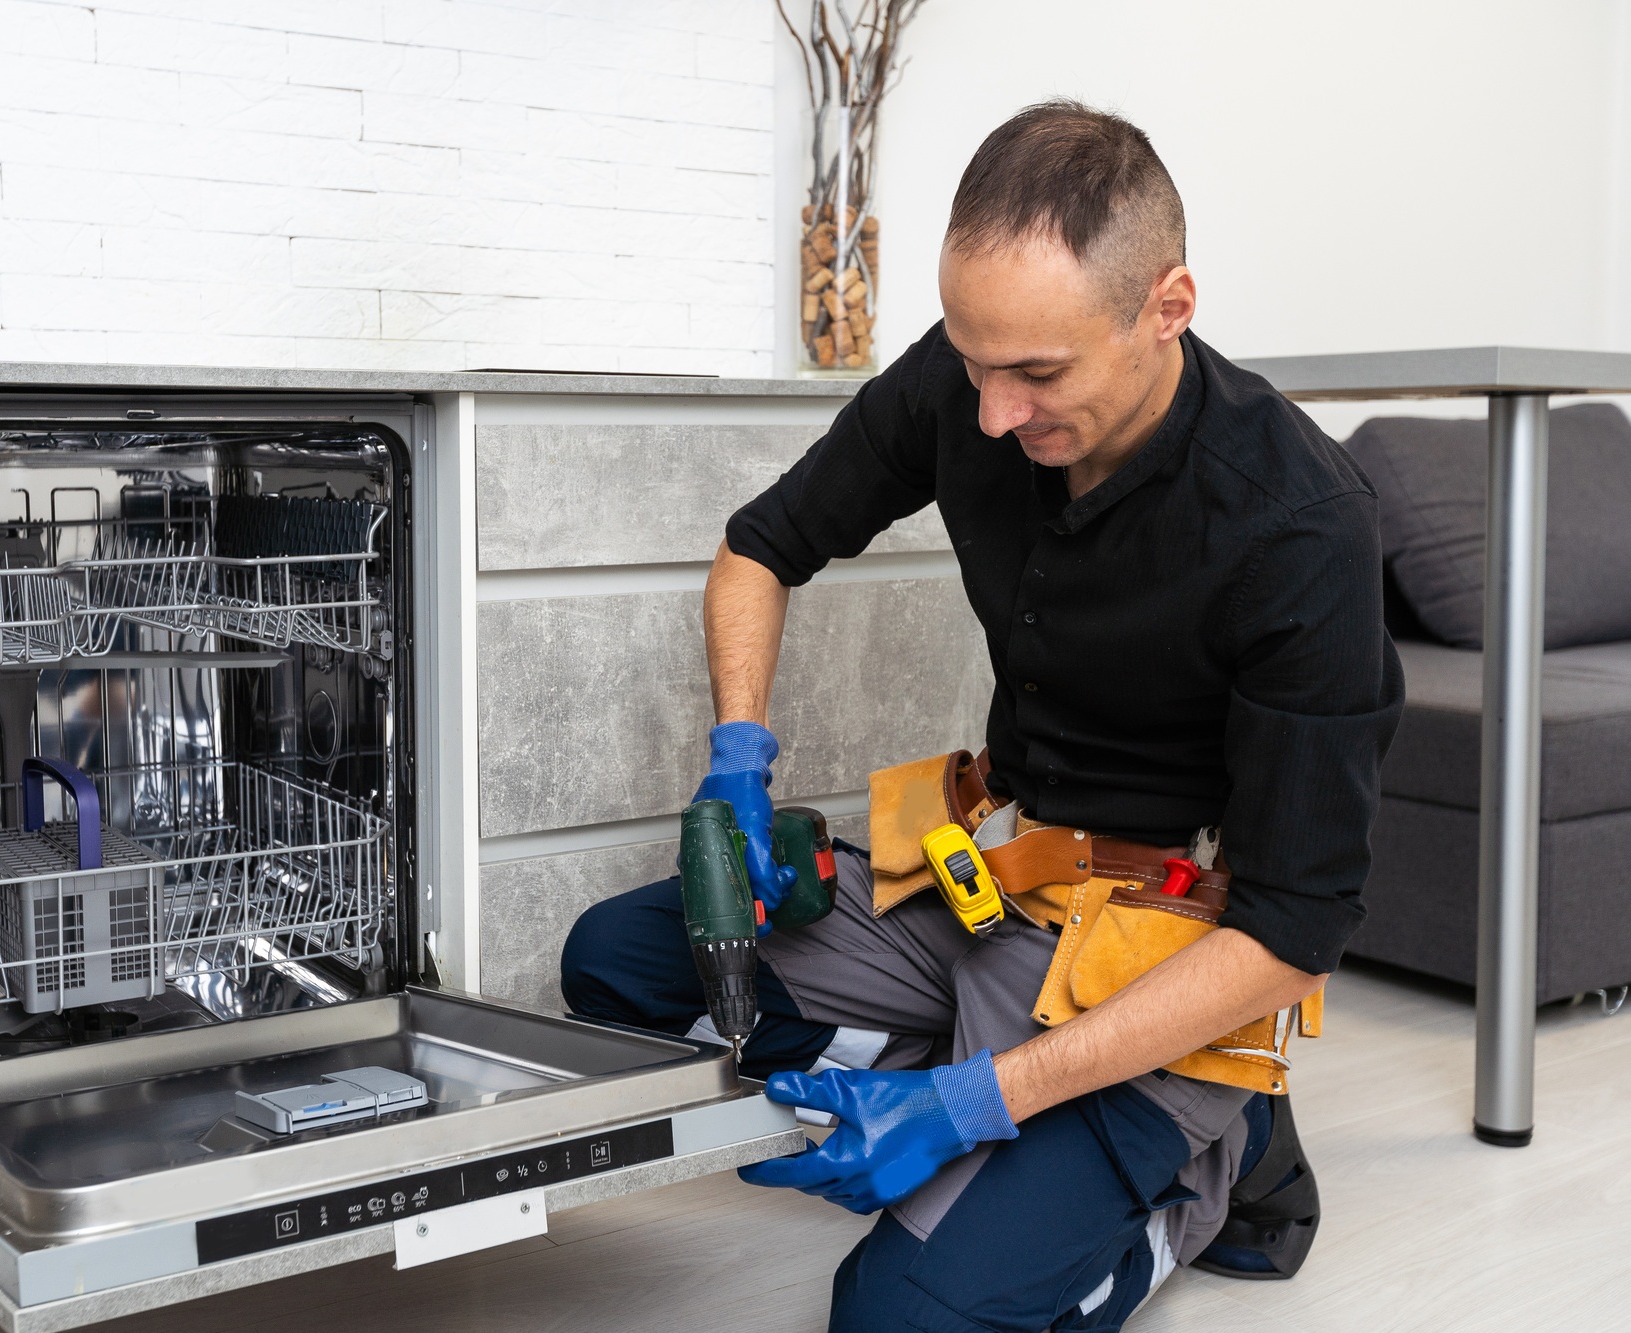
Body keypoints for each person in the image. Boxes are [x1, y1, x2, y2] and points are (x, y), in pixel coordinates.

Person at [561, 100, 1403, 1331]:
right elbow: (759, 548)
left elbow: (1288, 931)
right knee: (613, 965)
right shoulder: (974, 374)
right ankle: (972, 1108)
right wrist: (735, 759)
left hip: (1154, 949)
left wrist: (973, 1106)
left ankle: (1202, 1176)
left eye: (1037, 375)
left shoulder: (1296, 527)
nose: (994, 413)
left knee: (896, 1319)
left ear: (1165, 307)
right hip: (977, 887)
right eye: (972, 361)